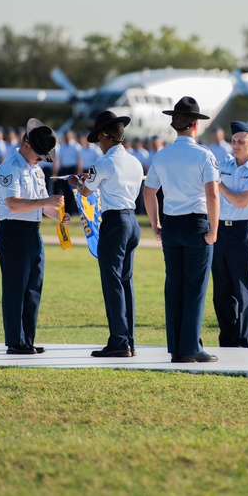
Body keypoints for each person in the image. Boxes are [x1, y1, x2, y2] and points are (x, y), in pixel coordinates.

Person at [143, 96, 220, 363]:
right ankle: (191, 347)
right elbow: (212, 195)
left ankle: (176, 347)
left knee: (173, 285)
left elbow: (149, 192)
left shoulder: (162, 155)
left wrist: (155, 225)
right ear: (195, 125)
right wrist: (214, 228)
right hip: (196, 223)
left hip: (171, 224)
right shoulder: (204, 155)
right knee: (195, 287)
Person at [71, 110, 143, 358]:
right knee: (126, 282)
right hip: (132, 221)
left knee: (112, 282)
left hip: (114, 222)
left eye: (99, 139)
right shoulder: (134, 161)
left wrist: (76, 183)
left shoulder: (104, 163)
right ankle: (129, 340)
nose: (98, 144)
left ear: (105, 136)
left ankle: (118, 341)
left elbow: (86, 192)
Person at [0, 118, 67, 355]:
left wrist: (58, 215)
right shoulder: (10, 168)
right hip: (13, 230)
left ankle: (28, 339)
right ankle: (15, 341)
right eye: (39, 153)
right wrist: (46, 202)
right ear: (26, 144)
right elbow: (13, 204)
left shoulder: (36, 171)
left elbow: (42, 207)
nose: (41, 159)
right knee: (16, 287)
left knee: (33, 288)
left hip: (33, 232)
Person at [212, 121, 248, 348]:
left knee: (242, 289)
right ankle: (227, 339)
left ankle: (243, 341)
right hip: (220, 230)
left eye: (241, 142)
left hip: (242, 231)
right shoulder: (224, 163)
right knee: (221, 292)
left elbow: (243, 201)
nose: (235, 145)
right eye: (233, 141)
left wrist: (221, 187)